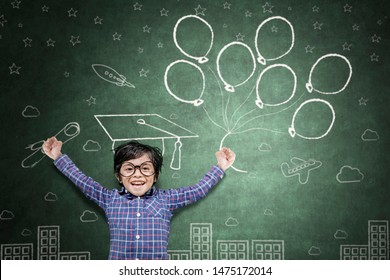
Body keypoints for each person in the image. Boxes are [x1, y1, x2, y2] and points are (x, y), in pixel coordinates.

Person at [42, 137, 236, 260]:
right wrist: (58, 156)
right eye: (129, 168)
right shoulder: (110, 199)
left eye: (145, 168)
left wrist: (220, 167)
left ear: (155, 175)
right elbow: (82, 181)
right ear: (118, 176)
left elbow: (197, 190)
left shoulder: (166, 200)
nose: (137, 175)